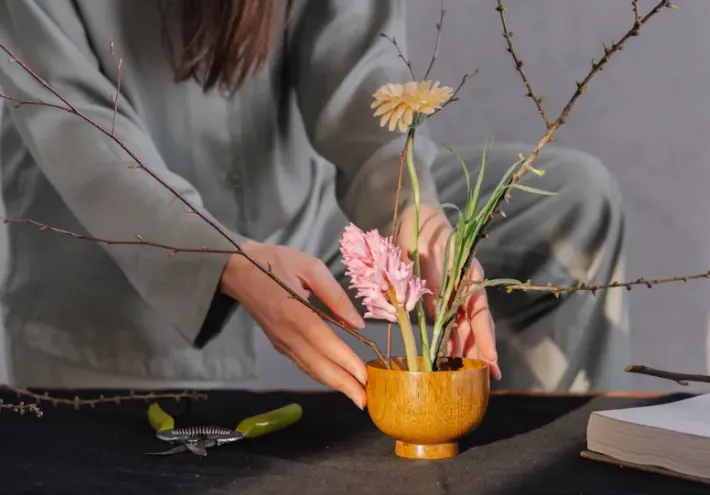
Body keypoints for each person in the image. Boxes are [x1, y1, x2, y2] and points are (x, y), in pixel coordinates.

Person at [0, 0, 630, 408]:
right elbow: (79, 131)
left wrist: (413, 210)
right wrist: (225, 261)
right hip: (108, 278)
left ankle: (534, 453)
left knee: (571, 202)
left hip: (303, 231)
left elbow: (363, 77)